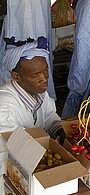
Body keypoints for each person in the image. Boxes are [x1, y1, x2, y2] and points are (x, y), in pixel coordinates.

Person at [0, 38, 65, 194]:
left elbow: (50, 115)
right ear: (16, 77)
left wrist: (62, 133)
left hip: (32, 164)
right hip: (8, 167)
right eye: (36, 74)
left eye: (46, 70)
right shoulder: (4, 104)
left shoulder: (39, 93)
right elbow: (15, 142)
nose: (44, 78)